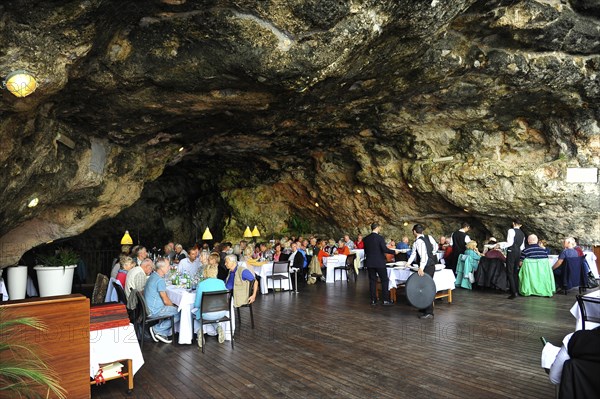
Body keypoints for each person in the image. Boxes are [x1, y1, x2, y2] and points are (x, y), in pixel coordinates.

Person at [144, 258, 180, 343]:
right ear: (161, 268)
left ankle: (161, 332)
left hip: (149, 307)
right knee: (178, 312)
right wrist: (174, 306)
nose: (169, 267)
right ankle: (157, 330)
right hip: (154, 310)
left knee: (173, 309)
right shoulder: (160, 280)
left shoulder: (153, 275)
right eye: (168, 266)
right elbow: (166, 300)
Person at [406, 224, 438, 319]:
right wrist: (408, 263)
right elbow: (435, 247)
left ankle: (429, 312)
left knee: (426, 289)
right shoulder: (429, 237)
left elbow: (423, 256)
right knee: (424, 286)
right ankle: (424, 307)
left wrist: (421, 268)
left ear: (414, 231)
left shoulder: (418, 242)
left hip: (426, 266)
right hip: (431, 265)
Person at [193, 259, 228, 347]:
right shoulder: (221, 283)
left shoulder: (202, 284)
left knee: (195, 312)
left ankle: (199, 331)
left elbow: (197, 305)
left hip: (207, 314)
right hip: (222, 312)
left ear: (205, 272)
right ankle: (218, 327)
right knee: (210, 312)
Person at [363, 222, 399, 306]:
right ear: (377, 228)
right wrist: (394, 251)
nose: (380, 229)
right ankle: (385, 300)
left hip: (369, 262)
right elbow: (384, 249)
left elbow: (365, 251)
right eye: (379, 227)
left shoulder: (366, 239)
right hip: (379, 262)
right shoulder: (380, 238)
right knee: (384, 280)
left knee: (372, 281)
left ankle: (373, 300)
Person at [506, 218, 525, 299]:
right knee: (515, 271)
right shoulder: (523, 234)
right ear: (520, 225)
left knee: (509, 271)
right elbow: (522, 246)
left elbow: (509, 243)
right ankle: (516, 290)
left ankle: (513, 292)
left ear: (513, 223)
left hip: (511, 250)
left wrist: (500, 245)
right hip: (518, 252)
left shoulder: (511, 230)